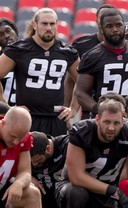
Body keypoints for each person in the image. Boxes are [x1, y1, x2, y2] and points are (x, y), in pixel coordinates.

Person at [55, 95, 128, 208]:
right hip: (72, 187)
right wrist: (113, 190)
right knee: (78, 194)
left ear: (123, 121)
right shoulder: (82, 131)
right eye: (107, 122)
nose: (111, 128)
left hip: (105, 192)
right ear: (98, 119)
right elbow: (76, 178)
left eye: (116, 123)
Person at [0, 7, 80, 136]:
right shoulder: (19, 49)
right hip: (27, 118)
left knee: (56, 155)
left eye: (52, 23)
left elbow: (82, 80)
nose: (48, 28)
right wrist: (7, 107)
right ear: (35, 25)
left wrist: (73, 109)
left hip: (56, 119)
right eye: (44, 23)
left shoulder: (67, 52)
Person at [75, 8, 128, 120]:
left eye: (118, 25)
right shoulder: (92, 56)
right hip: (105, 120)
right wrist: (99, 109)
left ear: (124, 25)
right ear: (101, 28)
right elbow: (80, 93)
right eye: (109, 26)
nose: (115, 29)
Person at [67, 4, 116, 119]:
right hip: (88, 109)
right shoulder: (81, 45)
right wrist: (67, 108)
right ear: (96, 20)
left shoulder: (124, 48)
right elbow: (70, 80)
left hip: (117, 109)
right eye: (102, 17)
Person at [0, 106, 42, 208]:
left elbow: (25, 171)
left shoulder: (24, 140)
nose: (16, 142)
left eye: (20, 138)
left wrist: (19, 183)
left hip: (2, 190)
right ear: (3, 123)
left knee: (32, 194)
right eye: (13, 136)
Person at [30, 131, 69, 208]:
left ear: (48, 148)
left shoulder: (65, 145)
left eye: (38, 160)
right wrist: (28, 177)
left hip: (65, 192)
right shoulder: (24, 152)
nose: (34, 164)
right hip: (43, 195)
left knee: (76, 193)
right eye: (31, 162)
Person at [0, 18, 18, 106]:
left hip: (28, 112)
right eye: (0, 35)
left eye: (8, 30)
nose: (6, 36)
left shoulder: (31, 57)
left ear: (15, 31)